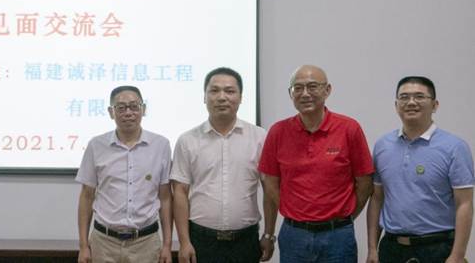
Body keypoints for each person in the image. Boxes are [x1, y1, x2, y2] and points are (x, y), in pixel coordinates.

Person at [258, 64, 374, 263]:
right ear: (290, 93)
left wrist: (343, 216)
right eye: (298, 88)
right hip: (294, 235)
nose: (305, 94)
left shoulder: (349, 128)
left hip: (338, 236)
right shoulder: (278, 131)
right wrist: (293, 210)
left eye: (312, 86)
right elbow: (270, 183)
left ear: (327, 90)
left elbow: (364, 183)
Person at [171, 67, 277, 263]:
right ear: (204, 97)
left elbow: (270, 189)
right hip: (201, 239)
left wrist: (269, 235)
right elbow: (179, 192)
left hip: (245, 240)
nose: (222, 97)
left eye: (229, 91)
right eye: (214, 90)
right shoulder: (188, 140)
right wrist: (184, 242)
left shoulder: (260, 137)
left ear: (241, 97)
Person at [366, 76, 474, 263]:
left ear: (435, 105)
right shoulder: (383, 146)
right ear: (396, 105)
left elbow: (464, 203)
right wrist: (372, 249)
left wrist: (457, 255)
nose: (411, 102)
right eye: (404, 97)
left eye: (419, 96)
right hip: (391, 248)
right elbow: (376, 198)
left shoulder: (455, 147)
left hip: (438, 248)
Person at [76, 85, 173, 263]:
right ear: (111, 112)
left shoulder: (161, 145)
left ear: (143, 109)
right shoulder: (96, 146)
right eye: (121, 107)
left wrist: (167, 244)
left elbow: (165, 197)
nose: (128, 113)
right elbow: (86, 196)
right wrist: (83, 246)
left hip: (146, 243)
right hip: (104, 243)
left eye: (134, 106)